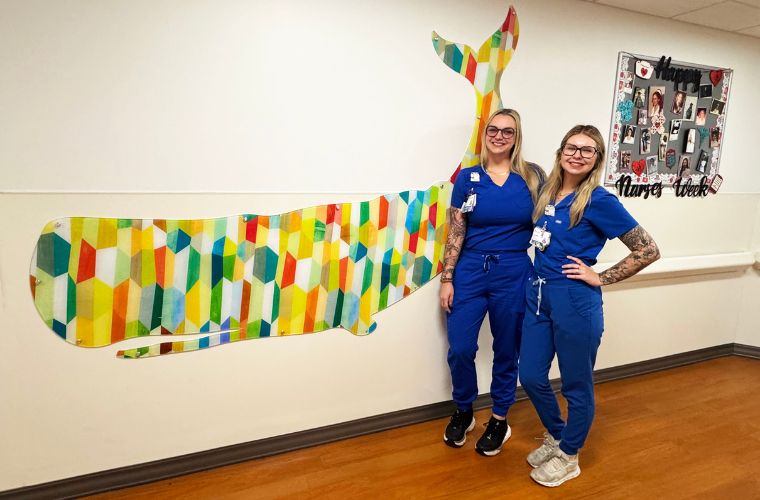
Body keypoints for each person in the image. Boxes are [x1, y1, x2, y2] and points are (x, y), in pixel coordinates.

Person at [519, 125, 660, 487]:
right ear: (560, 151)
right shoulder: (548, 192)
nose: (578, 154)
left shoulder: (599, 200)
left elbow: (648, 249)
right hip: (538, 294)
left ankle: (569, 455)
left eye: (588, 150)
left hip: (574, 299)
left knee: (576, 384)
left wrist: (602, 277)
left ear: (596, 158)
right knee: (532, 376)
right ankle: (557, 434)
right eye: (572, 147)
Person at [439, 108, 544, 456]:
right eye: (493, 130)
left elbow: (552, 223)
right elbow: (457, 231)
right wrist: (448, 277)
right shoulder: (468, 178)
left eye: (508, 132)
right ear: (485, 135)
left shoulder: (532, 178)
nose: (499, 136)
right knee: (461, 348)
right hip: (469, 270)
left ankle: (499, 418)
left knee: (507, 350)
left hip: (514, 271)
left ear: (517, 137)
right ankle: (464, 409)